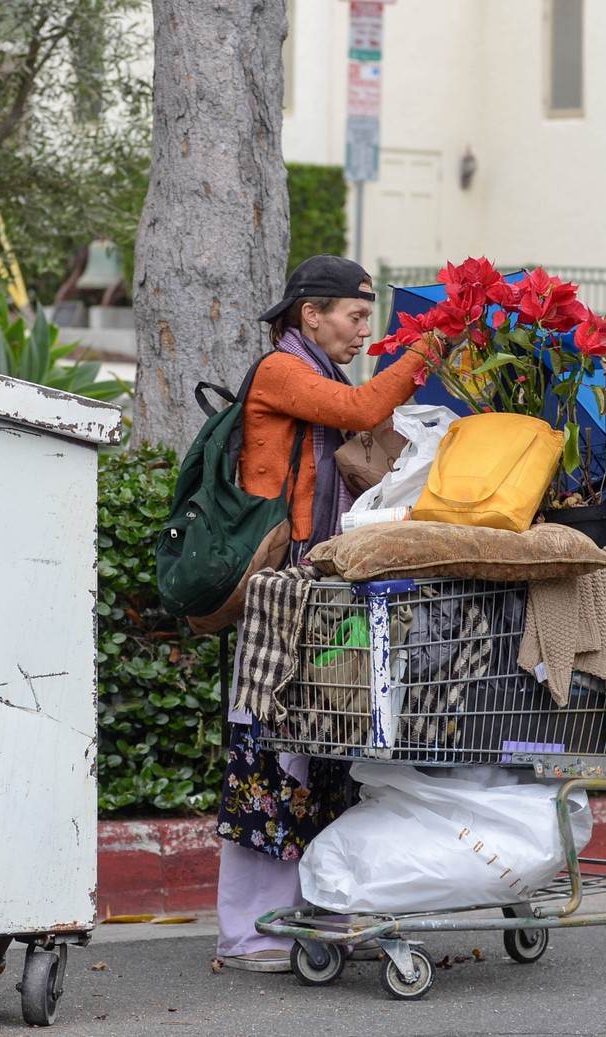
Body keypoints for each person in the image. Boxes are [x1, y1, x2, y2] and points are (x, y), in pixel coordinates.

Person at [214, 255, 442, 972]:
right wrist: (427, 351)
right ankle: (250, 931)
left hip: (320, 583)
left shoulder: (321, 370)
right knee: (272, 749)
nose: (360, 330)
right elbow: (358, 414)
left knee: (324, 739)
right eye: (353, 317)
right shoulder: (282, 370)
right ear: (309, 313)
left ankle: (317, 905)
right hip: (281, 586)